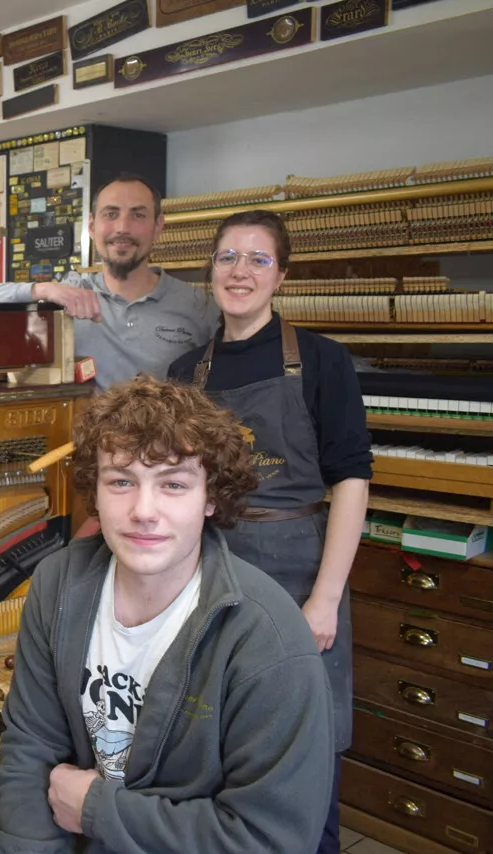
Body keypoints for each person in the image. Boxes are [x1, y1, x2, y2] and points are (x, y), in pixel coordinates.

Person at [0, 375, 335, 854]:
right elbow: (31, 747)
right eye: (121, 481)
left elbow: (269, 840)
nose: (143, 510)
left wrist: (97, 809)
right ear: (96, 491)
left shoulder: (269, 640)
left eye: (173, 484)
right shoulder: (58, 583)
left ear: (210, 498)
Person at [167, 209, 372, 854]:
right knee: (214, 746)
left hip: (298, 571)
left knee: (304, 758)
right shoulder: (185, 372)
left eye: (258, 259)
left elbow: (352, 481)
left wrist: (325, 599)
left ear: (280, 274)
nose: (241, 272)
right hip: (211, 570)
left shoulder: (321, 361)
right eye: (228, 257)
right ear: (211, 271)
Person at [0, 174, 219, 389]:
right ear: (92, 227)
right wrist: (41, 290)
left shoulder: (199, 306)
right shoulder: (67, 295)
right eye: (111, 214)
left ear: (158, 227)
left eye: (138, 215)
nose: (122, 228)